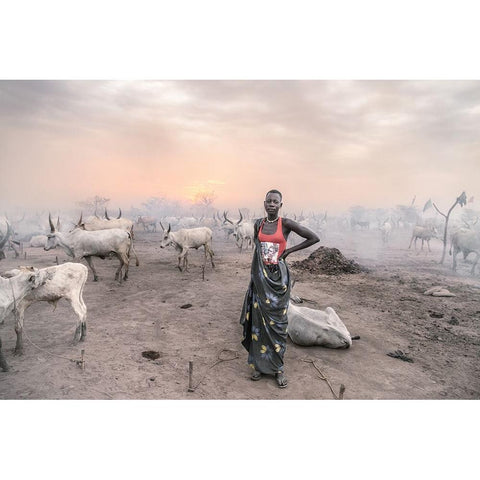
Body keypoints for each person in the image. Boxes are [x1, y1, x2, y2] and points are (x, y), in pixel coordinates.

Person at [240, 189, 320, 388]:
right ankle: (259, 365)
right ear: (264, 203)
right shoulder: (259, 223)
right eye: (269, 201)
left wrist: (288, 252)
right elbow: (257, 250)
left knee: (278, 324)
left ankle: (277, 368)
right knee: (259, 323)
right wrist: (255, 278)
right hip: (260, 280)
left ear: (280, 205)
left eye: (275, 201)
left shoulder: (286, 224)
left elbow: (313, 237)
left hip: (278, 281)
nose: (272, 204)